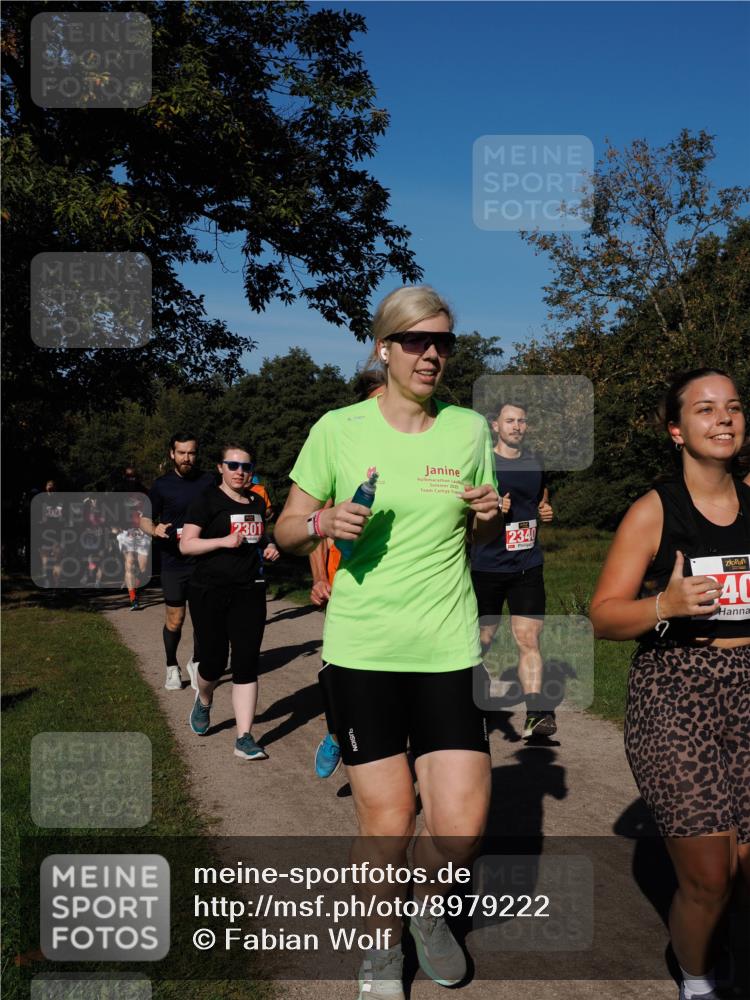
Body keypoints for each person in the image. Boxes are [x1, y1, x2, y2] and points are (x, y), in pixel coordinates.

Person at [275, 286, 500, 1000]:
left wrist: (491, 517)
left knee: (461, 827)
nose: (432, 354)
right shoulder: (338, 429)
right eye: (416, 341)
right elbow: (284, 529)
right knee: (390, 817)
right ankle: (380, 946)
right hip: (365, 649)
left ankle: (427, 913)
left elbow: (479, 530)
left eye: (443, 342)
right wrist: (320, 526)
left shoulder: (468, 431)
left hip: (448, 647)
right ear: (383, 347)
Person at [590, 369, 750, 1000]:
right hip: (676, 693)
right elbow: (603, 616)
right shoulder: (654, 509)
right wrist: (666, 604)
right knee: (711, 876)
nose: (724, 419)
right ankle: (698, 975)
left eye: (733, 408)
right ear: (677, 430)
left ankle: (720, 946)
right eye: (706, 409)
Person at [310, 367, 387, 779]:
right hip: (346, 585)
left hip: (399, 589)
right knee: (344, 671)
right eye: (377, 400)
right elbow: (314, 528)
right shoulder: (340, 444)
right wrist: (319, 578)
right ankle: (337, 733)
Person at [180, 444, 279, 760]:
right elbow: (186, 545)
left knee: (246, 661)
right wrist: (222, 541)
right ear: (220, 467)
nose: (240, 472)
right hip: (208, 590)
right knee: (213, 661)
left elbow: (258, 537)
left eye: (246, 467)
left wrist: (269, 546)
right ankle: (205, 698)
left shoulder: (255, 500)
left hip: (249, 590)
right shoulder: (206, 500)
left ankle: (244, 737)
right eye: (233, 465)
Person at [470, 401, 556, 738]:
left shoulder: (535, 461)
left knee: (529, 639)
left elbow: (541, 494)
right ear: (495, 426)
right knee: (482, 641)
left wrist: (545, 509)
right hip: (487, 567)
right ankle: (473, 697)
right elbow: (463, 509)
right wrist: (491, 509)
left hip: (527, 565)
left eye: (522, 420)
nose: (517, 426)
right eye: (510, 420)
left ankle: (537, 714)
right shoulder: (483, 463)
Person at [140, 433, 216, 691]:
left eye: (191, 453)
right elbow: (143, 519)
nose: (187, 458)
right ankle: (172, 666)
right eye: (181, 453)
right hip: (173, 561)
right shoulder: (162, 485)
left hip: (203, 560)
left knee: (203, 616)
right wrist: (155, 530)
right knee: (176, 618)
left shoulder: (209, 480)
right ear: (172, 454)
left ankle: (196, 662)